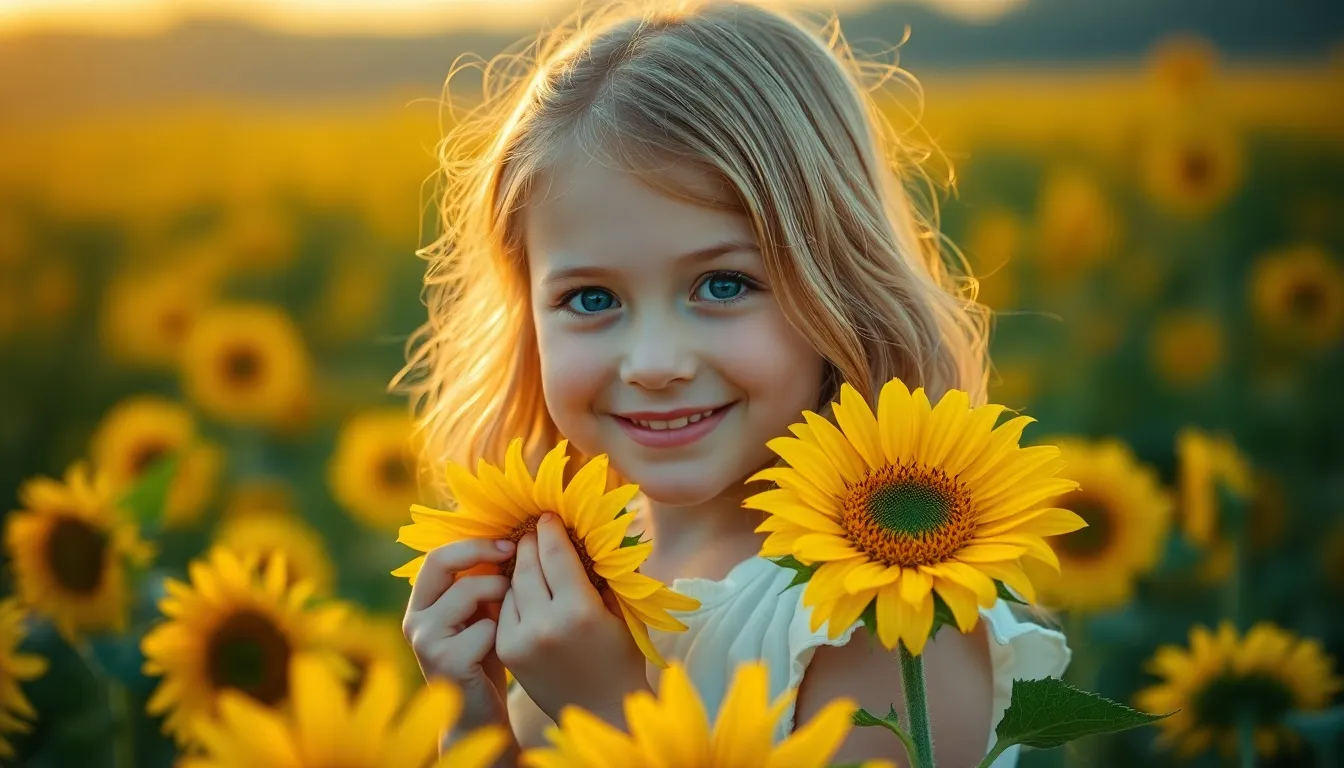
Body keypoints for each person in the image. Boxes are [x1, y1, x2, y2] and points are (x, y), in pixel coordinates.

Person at [397, 2, 1069, 765]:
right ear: (529, 320)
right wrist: (474, 725)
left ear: (839, 284)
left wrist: (613, 715)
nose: (654, 361)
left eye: (721, 284)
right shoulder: (584, 586)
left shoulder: (888, 610)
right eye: (592, 299)